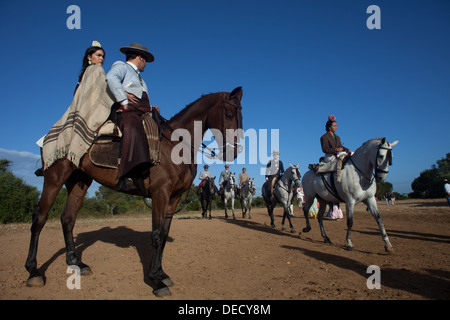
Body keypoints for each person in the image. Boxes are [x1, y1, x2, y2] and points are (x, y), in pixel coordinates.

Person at [39, 40, 114, 174]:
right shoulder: (97, 70)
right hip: (91, 111)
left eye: (103, 56)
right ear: (89, 57)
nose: (101, 59)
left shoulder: (85, 73)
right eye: (98, 55)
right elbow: (104, 93)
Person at [106, 42, 158, 192]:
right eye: (145, 61)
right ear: (140, 58)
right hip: (127, 111)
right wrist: (123, 99)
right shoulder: (122, 66)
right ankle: (126, 173)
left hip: (141, 111)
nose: (145, 65)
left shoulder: (140, 78)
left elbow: (141, 96)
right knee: (133, 126)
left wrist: (151, 108)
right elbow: (111, 78)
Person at [316, 115, 352, 182]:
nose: (336, 127)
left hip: (337, 154)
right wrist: (336, 150)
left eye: (336, 126)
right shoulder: (324, 137)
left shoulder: (337, 137)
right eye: (334, 126)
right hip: (329, 156)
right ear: (329, 127)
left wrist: (347, 150)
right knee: (339, 161)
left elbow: (340, 146)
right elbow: (324, 149)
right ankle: (337, 178)